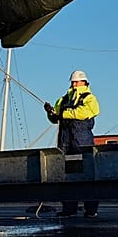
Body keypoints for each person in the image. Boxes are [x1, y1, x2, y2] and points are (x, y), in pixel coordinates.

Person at [44, 70, 101, 218]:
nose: (74, 84)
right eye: (73, 82)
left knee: (88, 176)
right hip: (65, 142)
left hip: (82, 142)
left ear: (84, 82)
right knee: (66, 177)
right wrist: (50, 112)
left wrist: (63, 114)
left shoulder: (90, 98)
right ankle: (69, 208)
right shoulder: (63, 99)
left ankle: (91, 209)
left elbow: (87, 112)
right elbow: (55, 118)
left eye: (77, 81)